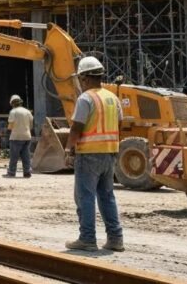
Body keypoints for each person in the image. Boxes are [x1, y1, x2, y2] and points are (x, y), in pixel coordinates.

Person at [64, 57, 124, 252]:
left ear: (84, 78)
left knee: (85, 196)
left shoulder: (86, 98)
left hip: (89, 154)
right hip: (110, 153)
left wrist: (68, 149)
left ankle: (87, 238)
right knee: (107, 196)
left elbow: (76, 127)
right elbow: (119, 123)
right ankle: (115, 239)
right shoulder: (112, 98)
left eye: (81, 79)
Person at [3, 95, 33, 178]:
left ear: (12, 103)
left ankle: (11, 172)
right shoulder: (27, 111)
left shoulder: (13, 112)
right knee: (26, 156)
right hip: (27, 136)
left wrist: (8, 130)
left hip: (16, 137)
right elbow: (31, 125)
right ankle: (27, 172)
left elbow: (11, 125)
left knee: (14, 156)